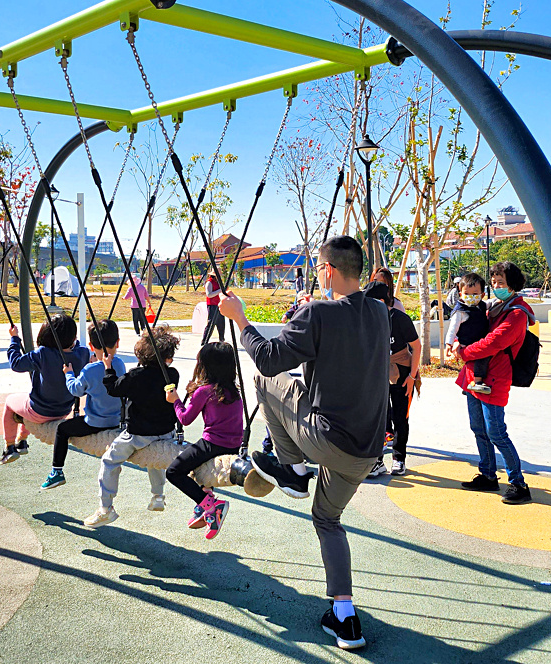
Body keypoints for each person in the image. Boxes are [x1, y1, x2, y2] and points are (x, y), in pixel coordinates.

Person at [219, 235, 388, 651]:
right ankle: (345, 619)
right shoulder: (381, 312)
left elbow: (267, 359)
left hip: (325, 440)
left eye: (317, 265)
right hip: (366, 452)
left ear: (328, 269)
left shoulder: (318, 313)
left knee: (267, 381)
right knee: (327, 519)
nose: (315, 270)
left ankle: (293, 471)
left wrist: (240, 318)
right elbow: (338, 342)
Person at [454, 261, 535, 506]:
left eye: (502, 282)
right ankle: (488, 474)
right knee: (479, 429)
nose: (496, 286)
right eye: (495, 282)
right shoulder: (495, 308)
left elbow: (493, 342)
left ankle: (519, 483)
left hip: (495, 379)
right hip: (474, 377)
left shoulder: (517, 314)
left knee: (496, 432)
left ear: (513, 284)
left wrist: (464, 352)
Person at [85, 325, 181, 527]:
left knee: (110, 460)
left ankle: (106, 508)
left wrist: (108, 368)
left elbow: (113, 389)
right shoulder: (172, 375)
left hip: (138, 434)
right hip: (166, 431)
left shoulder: (135, 376)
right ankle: (158, 495)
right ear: (168, 357)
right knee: (156, 459)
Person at [165, 341, 244, 539]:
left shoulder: (205, 391)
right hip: (233, 445)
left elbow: (185, 418)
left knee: (174, 472)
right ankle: (206, 507)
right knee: (203, 470)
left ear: (205, 366)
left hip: (213, 444)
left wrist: (175, 400)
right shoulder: (234, 390)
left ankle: (211, 505)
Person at [40, 320, 123, 490]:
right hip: (116, 420)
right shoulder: (120, 364)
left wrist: (69, 374)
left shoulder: (89, 370)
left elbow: (76, 390)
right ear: (117, 343)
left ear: (91, 346)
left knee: (62, 430)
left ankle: (57, 471)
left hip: (95, 422)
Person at [3, 314, 90, 465]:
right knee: (27, 398)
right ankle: (22, 441)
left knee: (10, 401)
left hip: (40, 412)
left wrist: (15, 339)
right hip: (64, 411)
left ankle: (9, 447)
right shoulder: (83, 353)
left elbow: (16, 364)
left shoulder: (43, 354)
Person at [364, 281, 421, 478]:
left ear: (380, 302)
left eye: (368, 302)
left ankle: (399, 458)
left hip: (403, 373)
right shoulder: (367, 320)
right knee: (377, 418)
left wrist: (412, 376)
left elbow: (417, 347)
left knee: (400, 417)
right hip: (377, 374)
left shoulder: (400, 319)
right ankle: (377, 461)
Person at [445, 273, 492, 395]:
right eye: (467, 294)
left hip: (479, 339)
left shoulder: (483, 305)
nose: (471, 297)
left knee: (472, 364)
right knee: (482, 357)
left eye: (475, 294)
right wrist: (449, 343)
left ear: (482, 295)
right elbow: (452, 328)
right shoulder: (460, 311)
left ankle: (466, 384)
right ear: (461, 294)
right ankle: (478, 382)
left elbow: (493, 303)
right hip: (468, 342)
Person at [201, 271, 225, 344]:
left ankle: (221, 340)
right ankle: (205, 341)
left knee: (221, 323)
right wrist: (220, 290)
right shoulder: (209, 283)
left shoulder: (218, 282)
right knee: (211, 323)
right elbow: (209, 294)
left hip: (219, 304)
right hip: (212, 305)